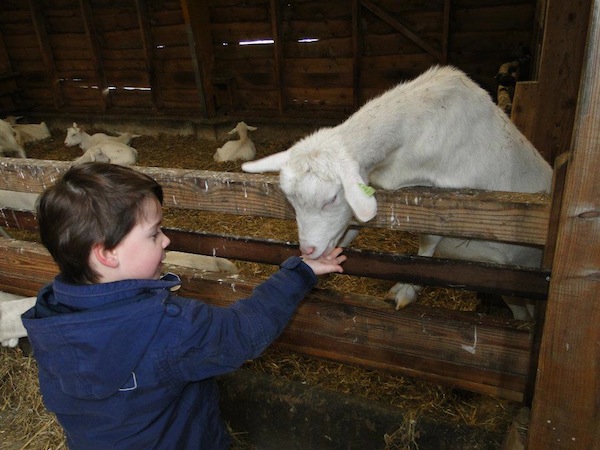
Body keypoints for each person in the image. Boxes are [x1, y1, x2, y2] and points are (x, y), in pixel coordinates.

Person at [22, 162, 346, 449]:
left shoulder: (50, 313)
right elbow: (244, 331)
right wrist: (299, 274)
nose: (166, 240)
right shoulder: (170, 327)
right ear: (107, 253)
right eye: (153, 234)